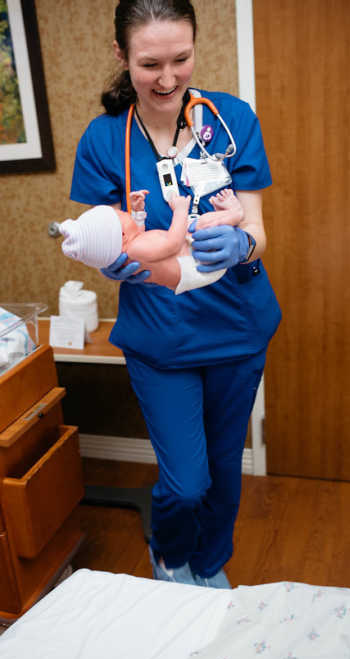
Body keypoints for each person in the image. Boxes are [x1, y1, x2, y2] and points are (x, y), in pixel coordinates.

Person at [69, 0, 281, 588]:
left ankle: (210, 564)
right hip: (160, 336)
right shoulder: (105, 139)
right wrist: (116, 259)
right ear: (122, 57)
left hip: (237, 327)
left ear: (195, 47)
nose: (167, 78)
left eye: (181, 59)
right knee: (186, 479)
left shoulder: (232, 119)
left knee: (222, 469)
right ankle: (169, 551)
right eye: (150, 63)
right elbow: (105, 237)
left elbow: (259, 232)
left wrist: (241, 246)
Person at [59, 188, 245, 294]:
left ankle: (222, 215)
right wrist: (180, 210)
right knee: (198, 225)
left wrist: (138, 211)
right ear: (121, 235)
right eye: (122, 214)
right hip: (199, 266)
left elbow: (139, 232)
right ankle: (235, 213)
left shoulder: (133, 246)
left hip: (196, 260)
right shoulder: (137, 249)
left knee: (196, 226)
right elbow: (172, 244)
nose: (126, 213)